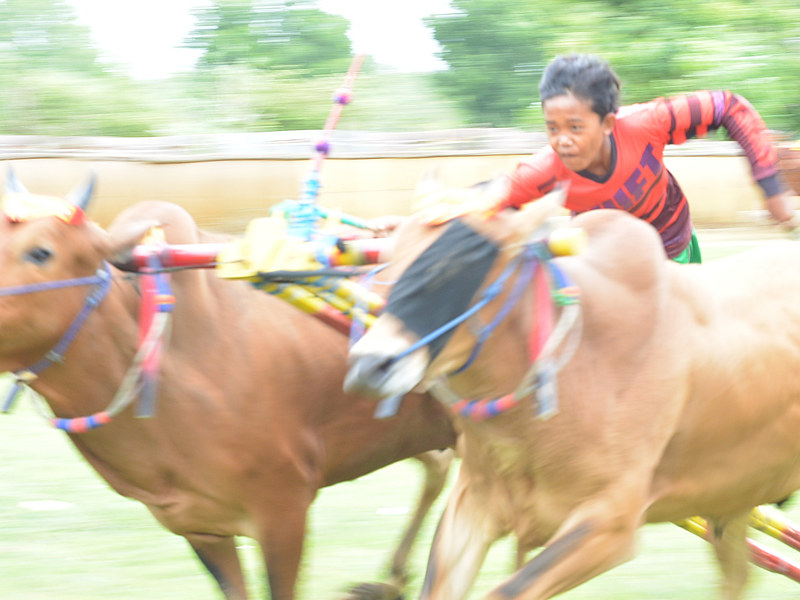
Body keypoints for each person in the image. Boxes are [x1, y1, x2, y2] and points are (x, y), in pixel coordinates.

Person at [497, 53, 797, 263]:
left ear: (607, 124)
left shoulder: (646, 124)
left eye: (575, 127)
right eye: (552, 128)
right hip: (605, 264)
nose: (562, 140)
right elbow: (488, 205)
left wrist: (772, 190)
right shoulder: (541, 171)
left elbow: (730, 107)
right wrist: (536, 245)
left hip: (672, 249)